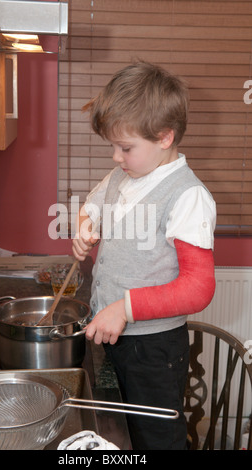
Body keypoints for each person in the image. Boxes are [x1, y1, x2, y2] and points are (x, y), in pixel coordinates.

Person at [72, 61, 216, 450]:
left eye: (125, 147)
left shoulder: (188, 196)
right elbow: (93, 204)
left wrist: (125, 308)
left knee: (157, 439)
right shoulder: (126, 174)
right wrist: (84, 225)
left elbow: (198, 289)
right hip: (113, 337)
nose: (117, 157)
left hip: (152, 349)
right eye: (114, 147)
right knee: (122, 431)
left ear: (165, 137)